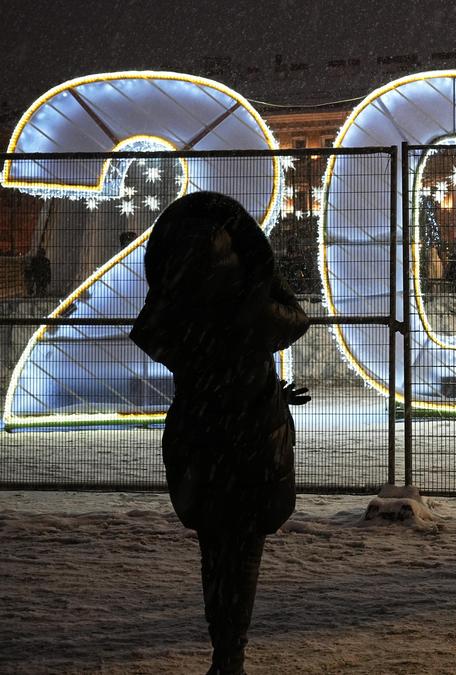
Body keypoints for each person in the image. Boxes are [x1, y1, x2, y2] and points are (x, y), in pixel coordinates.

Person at [130, 191, 310, 673]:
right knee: (244, 553)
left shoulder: (177, 318)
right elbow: (297, 318)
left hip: (202, 443)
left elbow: (154, 330)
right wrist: (262, 266)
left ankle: (223, 650)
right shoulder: (250, 311)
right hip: (252, 445)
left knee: (214, 553)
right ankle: (232, 653)